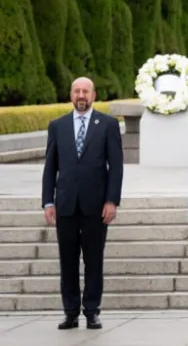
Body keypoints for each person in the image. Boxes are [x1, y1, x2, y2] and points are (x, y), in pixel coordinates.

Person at [41, 77, 124, 330]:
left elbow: (116, 167)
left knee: (93, 261)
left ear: (93, 95)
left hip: (96, 206)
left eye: (85, 91)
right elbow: (50, 167)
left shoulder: (107, 125)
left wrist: (112, 200)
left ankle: (92, 311)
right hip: (65, 205)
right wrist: (47, 201)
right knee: (67, 261)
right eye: (76, 91)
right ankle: (70, 312)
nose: (81, 95)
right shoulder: (58, 126)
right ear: (70, 96)